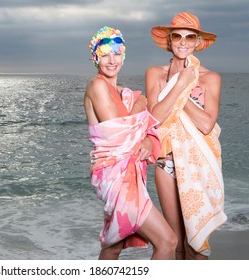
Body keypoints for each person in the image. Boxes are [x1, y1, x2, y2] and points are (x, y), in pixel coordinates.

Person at [84, 26, 177, 260]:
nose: (111, 60)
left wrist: (146, 137)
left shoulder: (123, 92)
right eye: (104, 54)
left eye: (116, 53)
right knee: (168, 241)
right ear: (95, 57)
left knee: (113, 246)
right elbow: (122, 132)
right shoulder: (98, 86)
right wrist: (140, 105)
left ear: (123, 56)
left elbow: (143, 129)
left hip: (126, 174)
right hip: (115, 176)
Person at [145, 12, 227, 260]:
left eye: (189, 37)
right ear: (169, 41)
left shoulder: (211, 78)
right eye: (177, 36)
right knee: (176, 243)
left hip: (199, 165)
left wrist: (183, 88)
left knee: (196, 245)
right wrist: (180, 84)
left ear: (197, 42)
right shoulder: (155, 74)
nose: (183, 42)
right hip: (166, 162)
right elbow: (155, 118)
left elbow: (205, 124)